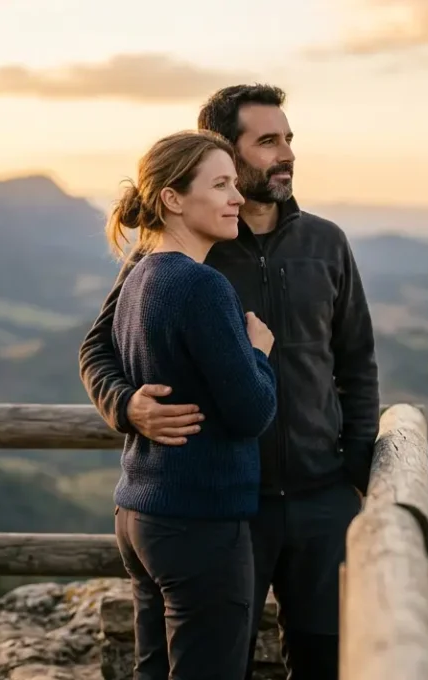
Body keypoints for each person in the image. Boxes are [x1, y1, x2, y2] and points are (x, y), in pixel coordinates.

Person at [80, 84, 379, 679]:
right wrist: (127, 406)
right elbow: (97, 348)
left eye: (289, 139)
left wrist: (358, 471)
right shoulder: (187, 252)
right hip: (228, 504)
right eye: (267, 141)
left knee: (327, 659)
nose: (286, 154)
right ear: (226, 151)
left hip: (322, 500)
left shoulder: (326, 243)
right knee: (216, 661)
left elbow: (356, 361)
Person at [104, 129, 279, 680]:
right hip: (198, 521)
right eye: (221, 185)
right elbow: (252, 412)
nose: (237, 198)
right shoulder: (201, 285)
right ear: (172, 199)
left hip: (141, 515)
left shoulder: (141, 277)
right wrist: (259, 353)